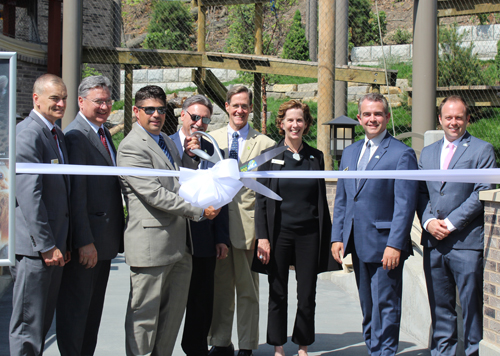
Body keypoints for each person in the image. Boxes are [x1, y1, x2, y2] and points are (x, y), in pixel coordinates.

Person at [117, 85, 220, 356]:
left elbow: (180, 181)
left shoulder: (163, 140)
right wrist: (198, 212)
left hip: (178, 248)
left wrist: (188, 156)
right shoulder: (130, 147)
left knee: (170, 322)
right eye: (149, 110)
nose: (156, 115)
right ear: (136, 111)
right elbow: (155, 194)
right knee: (144, 321)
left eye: (161, 110)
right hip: (151, 250)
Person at [331, 93, 418, 356]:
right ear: (359, 118)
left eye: (378, 113)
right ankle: (373, 349)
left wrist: (395, 244)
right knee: (368, 306)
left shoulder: (403, 154)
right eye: (367, 114)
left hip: (385, 245)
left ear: (387, 117)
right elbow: (343, 198)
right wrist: (338, 236)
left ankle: (385, 352)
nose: (372, 119)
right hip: (357, 243)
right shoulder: (350, 152)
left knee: (386, 305)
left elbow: (405, 205)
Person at [252, 100, 340, 356]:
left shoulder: (316, 157)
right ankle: (278, 346)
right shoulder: (269, 157)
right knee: (277, 290)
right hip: (279, 234)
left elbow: (319, 198)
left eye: (299, 120)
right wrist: (263, 238)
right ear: (281, 124)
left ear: (306, 124)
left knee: (307, 293)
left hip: (309, 235)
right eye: (289, 120)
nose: (295, 125)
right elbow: (260, 201)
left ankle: (303, 345)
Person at [418, 95, 496, 356]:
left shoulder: (482, 150)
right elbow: (422, 194)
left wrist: (449, 224)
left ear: (467, 119)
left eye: (459, 117)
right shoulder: (427, 153)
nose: (454, 122)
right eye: (448, 117)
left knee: (471, 308)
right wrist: (429, 222)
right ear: (440, 119)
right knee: (440, 307)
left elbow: (482, 192)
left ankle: (473, 352)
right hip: (434, 243)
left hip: (465, 243)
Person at [56, 75, 125, 356]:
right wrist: (84, 240)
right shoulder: (76, 137)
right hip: (88, 244)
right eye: (98, 101)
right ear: (81, 101)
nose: (104, 106)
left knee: (92, 314)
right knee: (76, 313)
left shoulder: (102, 132)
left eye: (108, 101)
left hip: (104, 243)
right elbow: (76, 194)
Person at [208, 85, 275, 356]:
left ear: (250, 109)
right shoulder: (210, 140)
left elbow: (268, 195)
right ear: (226, 107)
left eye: (245, 106)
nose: (240, 110)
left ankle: (247, 344)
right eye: (235, 105)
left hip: (249, 228)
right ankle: (221, 342)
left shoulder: (266, 145)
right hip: (217, 227)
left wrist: (264, 234)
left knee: (248, 291)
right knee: (220, 290)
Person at [10, 74, 71, 355]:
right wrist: (47, 244)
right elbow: (29, 195)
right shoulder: (29, 133)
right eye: (54, 98)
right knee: (27, 328)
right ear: (36, 98)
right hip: (36, 251)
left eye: (63, 98)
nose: (61, 104)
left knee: (41, 323)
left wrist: (61, 243)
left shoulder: (55, 133)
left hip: (52, 248)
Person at [169, 94, 230, 356]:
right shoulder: (164, 144)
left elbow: (224, 195)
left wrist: (221, 238)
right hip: (172, 235)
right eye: (195, 116)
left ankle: (195, 349)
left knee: (201, 301)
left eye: (205, 118)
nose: (200, 123)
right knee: (170, 302)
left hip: (204, 235)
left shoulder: (216, 151)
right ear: (182, 115)